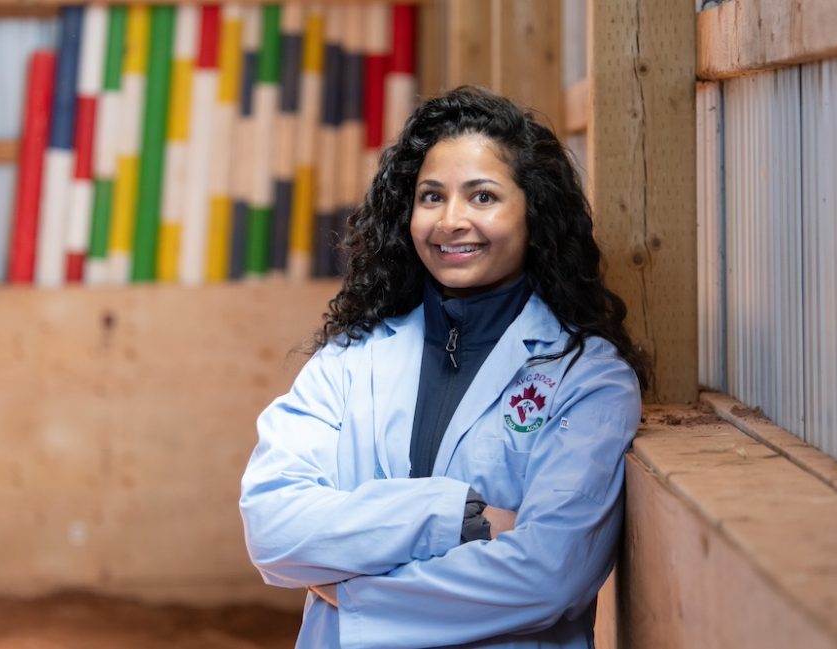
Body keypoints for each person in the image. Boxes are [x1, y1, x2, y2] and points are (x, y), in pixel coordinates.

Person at [239, 86, 649, 649]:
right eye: (431, 196)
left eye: (482, 197)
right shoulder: (349, 359)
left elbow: (550, 574)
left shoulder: (585, 376)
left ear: (536, 212)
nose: (450, 221)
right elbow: (272, 524)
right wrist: (456, 516)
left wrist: (354, 590)